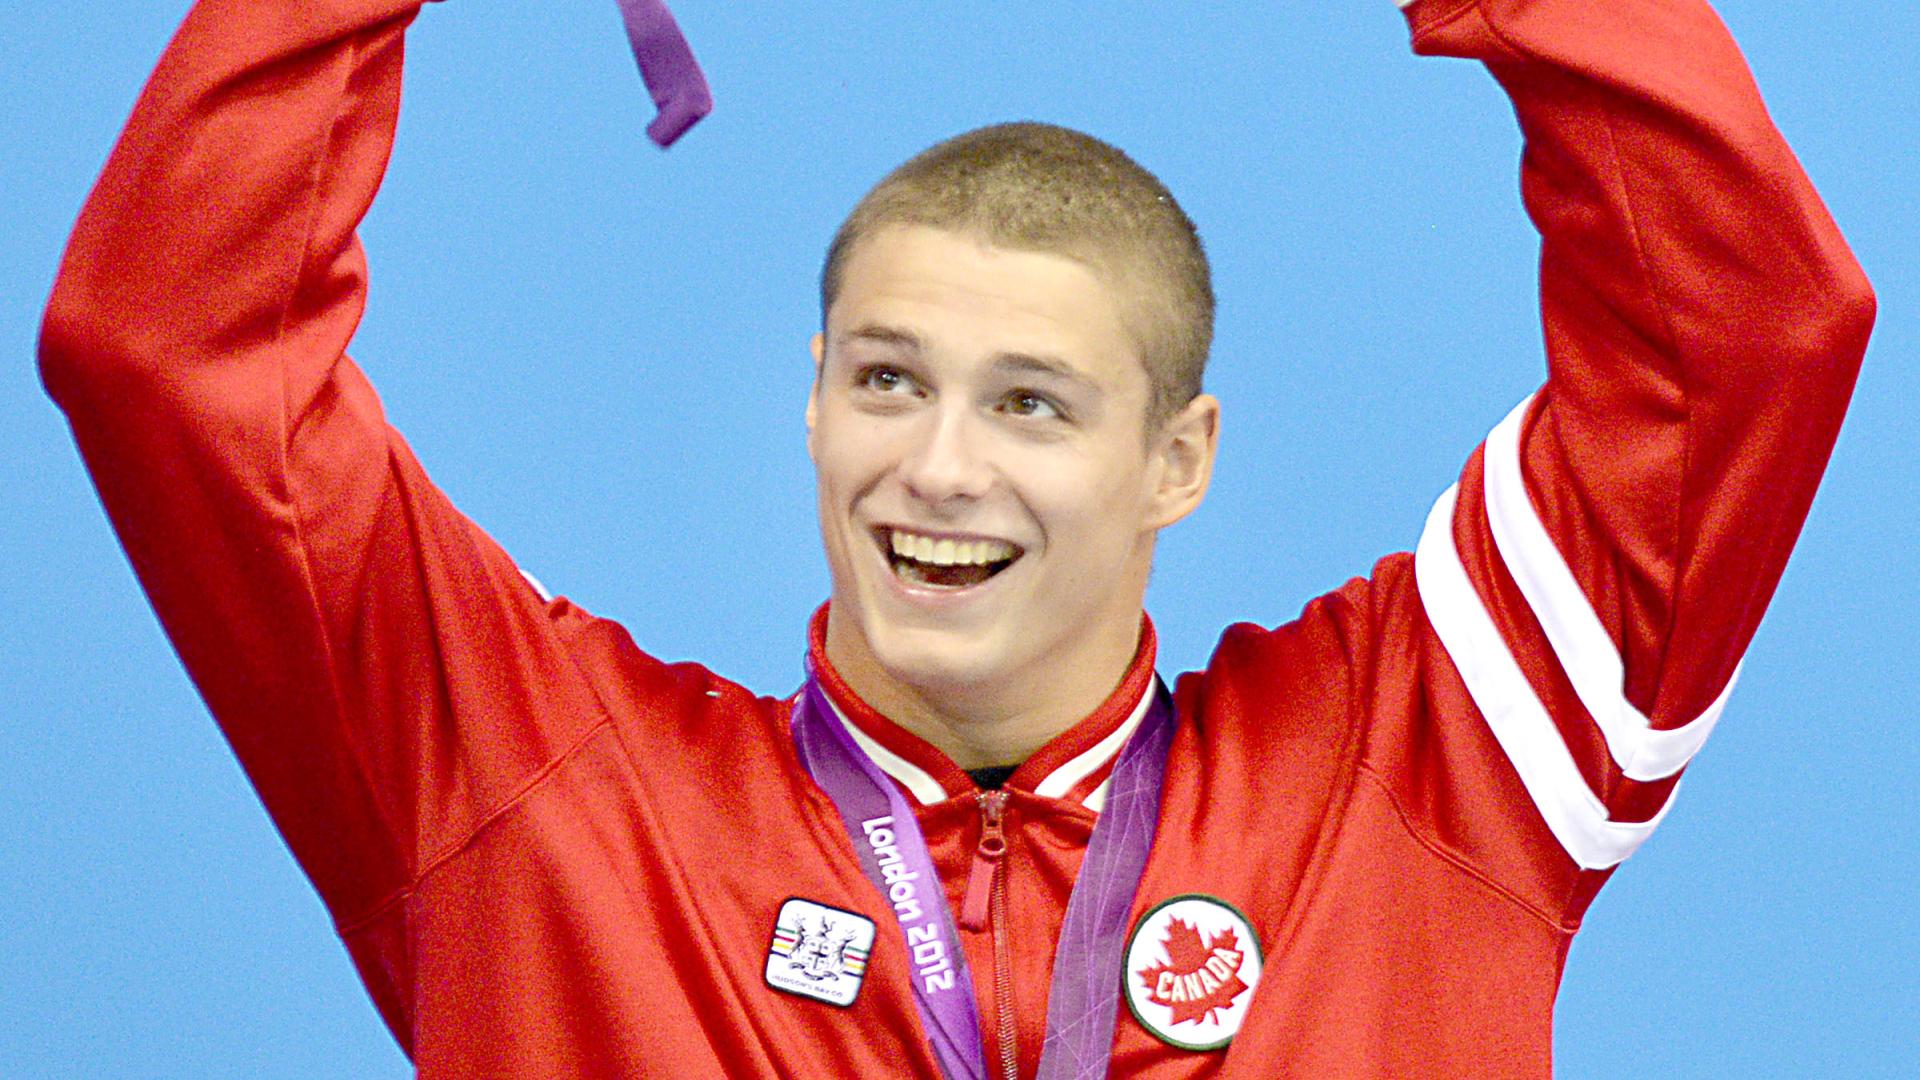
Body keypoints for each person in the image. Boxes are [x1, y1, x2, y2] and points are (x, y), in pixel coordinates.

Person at [38, 0, 1873, 1075]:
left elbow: (1744, 333)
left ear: (1180, 459)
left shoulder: (1439, 764)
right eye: (889, 382)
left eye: (1032, 404)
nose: (937, 468)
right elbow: (175, 351)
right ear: (813, 397)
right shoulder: (533, 799)